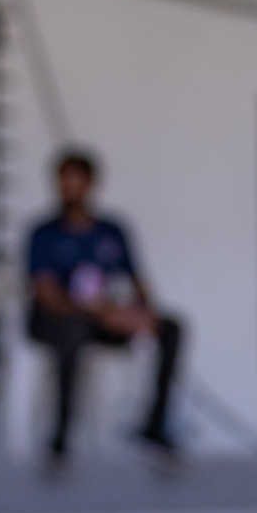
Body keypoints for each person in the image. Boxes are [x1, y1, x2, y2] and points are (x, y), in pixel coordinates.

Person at [26, 150, 183, 467]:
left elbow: (137, 281)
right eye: (63, 182)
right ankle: (60, 439)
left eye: (76, 181)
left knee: (172, 328)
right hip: (57, 322)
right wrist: (102, 314)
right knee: (71, 334)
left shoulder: (112, 230)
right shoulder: (43, 233)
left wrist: (140, 314)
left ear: (91, 184)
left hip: (108, 320)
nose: (69, 189)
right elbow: (47, 297)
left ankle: (154, 426)